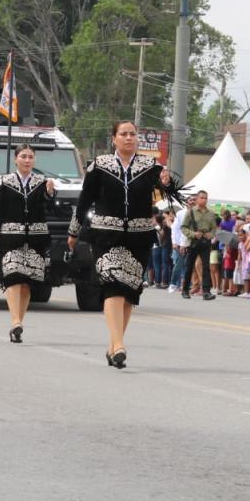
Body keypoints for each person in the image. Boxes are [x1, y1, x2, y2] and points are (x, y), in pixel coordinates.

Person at [68, 120, 180, 370]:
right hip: (106, 235)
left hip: (139, 236)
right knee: (112, 286)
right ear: (114, 139)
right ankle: (119, 345)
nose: (129, 137)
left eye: (132, 134)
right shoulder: (99, 166)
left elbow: (169, 195)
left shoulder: (151, 167)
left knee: (129, 293)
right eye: (123, 134)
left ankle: (113, 346)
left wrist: (167, 183)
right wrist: (74, 231)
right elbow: (84, 200)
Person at [0, 144, 57, 343]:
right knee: (13, 277)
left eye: (30, 157)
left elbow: (51, 209)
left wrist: (50, 194)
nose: (27, 160)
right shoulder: (4, 183)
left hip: (36, 239)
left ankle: (18, 323)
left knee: (27, 284)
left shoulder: (42, 183)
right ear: (15, 159)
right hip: (10, 238)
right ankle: (15, 321)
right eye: (23, 156)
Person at [179, 190, 218, 301]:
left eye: (206, 198)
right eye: (202, 198)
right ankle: (185, 290)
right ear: (197, 199)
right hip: (194, 241)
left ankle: (206, 292)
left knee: (206, 267)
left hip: (206, 241)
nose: (204, 200)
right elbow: (183, 227)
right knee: (189, 266)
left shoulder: (211, 213)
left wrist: (211, 234)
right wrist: (193, 234)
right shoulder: (191, 212)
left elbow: (214, 228)